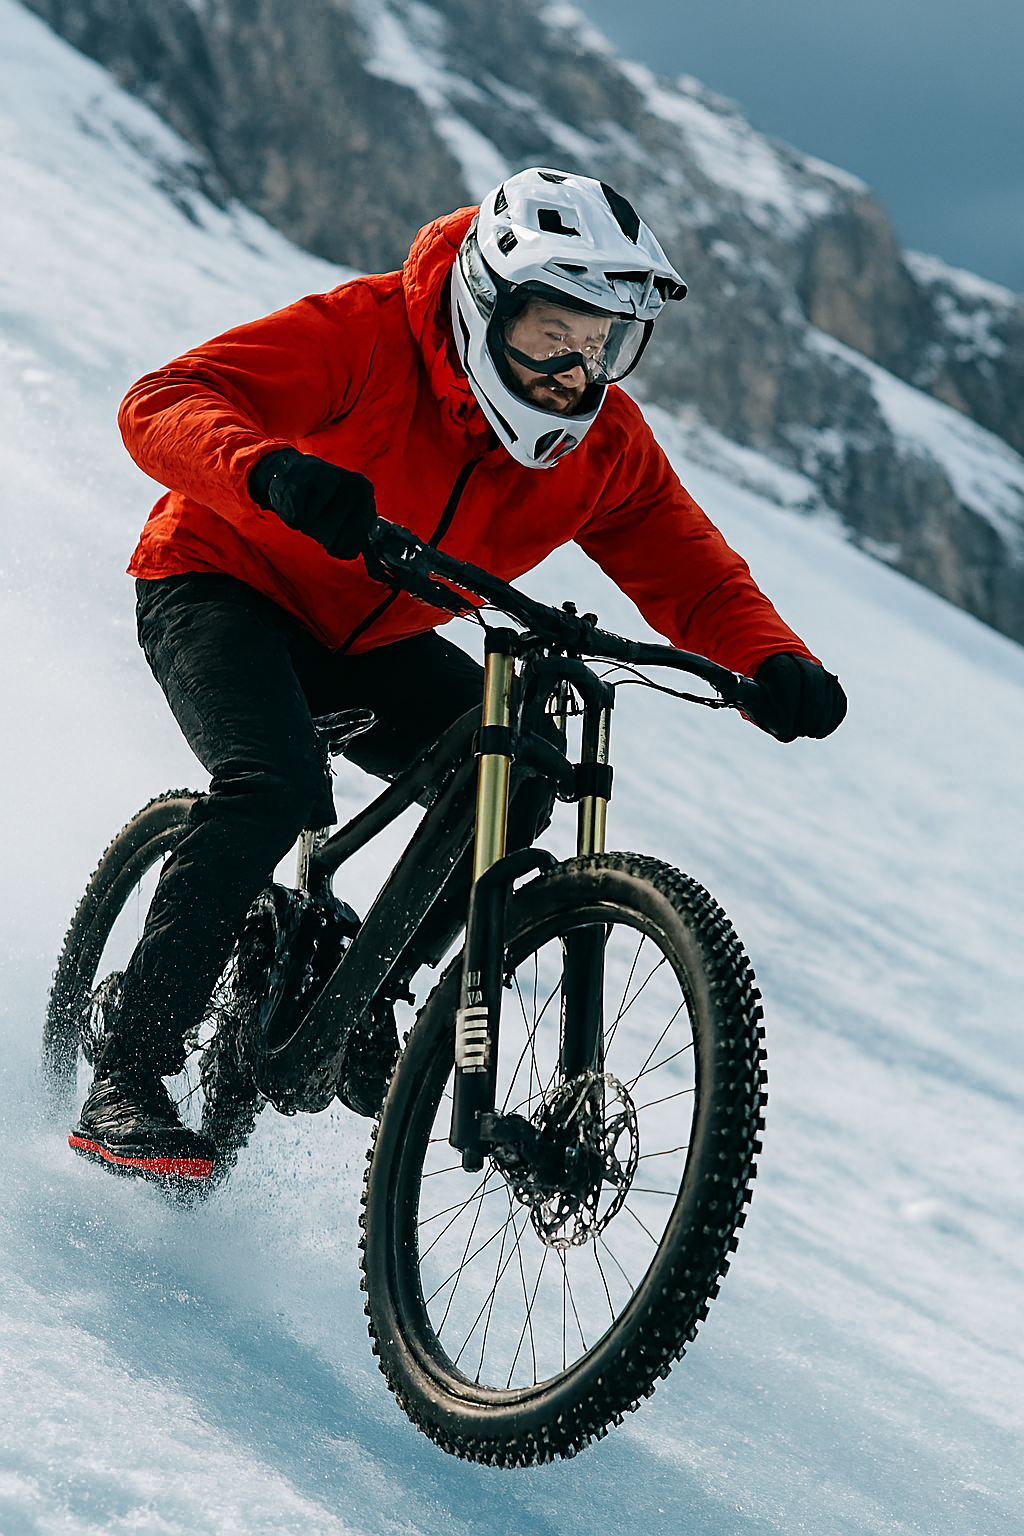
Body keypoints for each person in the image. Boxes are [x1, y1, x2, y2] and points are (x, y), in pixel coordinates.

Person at [71, 167, 846, 1179]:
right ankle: (125, 1077)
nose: (573, 370)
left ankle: (363, 995)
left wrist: (772, 662)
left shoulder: (602, 447)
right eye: (552, 332)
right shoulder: (364, 335)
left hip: (373, 637)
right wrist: (268, 471)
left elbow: (692, 573)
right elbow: (163, 401)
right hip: (222, 578)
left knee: (516, 773)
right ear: (487, 296)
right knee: (271, 786)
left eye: (601, 342)